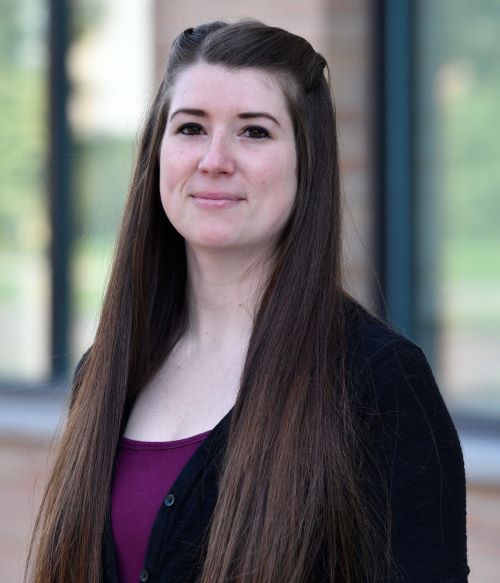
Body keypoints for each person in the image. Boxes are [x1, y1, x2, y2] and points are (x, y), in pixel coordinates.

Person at [28, 20, 469, 583]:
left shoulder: (378, 381)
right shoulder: (111, 369)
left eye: (254, 132)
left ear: (306, 161)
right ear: (156, 154)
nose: (214, 160)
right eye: (190, 128)